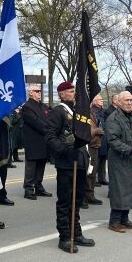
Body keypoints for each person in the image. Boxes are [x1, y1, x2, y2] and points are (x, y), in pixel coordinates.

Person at [45, 81, 95, 253]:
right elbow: (50, 136)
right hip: (67, 163)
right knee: (65, 200)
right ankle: (65, 237)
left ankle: (76, 232)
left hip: (80, 161)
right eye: (71, 91)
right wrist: (65, 151)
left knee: (77, 199)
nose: (74, 93)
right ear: (62, 94)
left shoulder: (76, 111)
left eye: (74, 90)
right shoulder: (58, 111)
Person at [104, 91, 132, 232]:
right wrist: (130, 150)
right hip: (119, 159)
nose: (129, 102)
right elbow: (113, 141)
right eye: (126, 100)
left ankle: (124, 218)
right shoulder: (113, 119)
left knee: (130, 189)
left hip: (130, 158)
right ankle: (114, 221)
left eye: (131, 100)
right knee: (120, 190)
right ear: (118, 102)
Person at [20, 86, 52, 200]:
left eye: (40, 91)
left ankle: (38, 186)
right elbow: (36, 122)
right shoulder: (27, 107)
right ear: (30, 93)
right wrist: (50, 129)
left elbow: (50, 118)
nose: (39, 93)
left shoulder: (43, 105)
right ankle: (28, 189)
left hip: (44, 140)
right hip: (33, 141)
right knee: (31, 166)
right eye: (37, 91)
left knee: (41, 164)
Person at [84, 94, 105, 207]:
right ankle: (85, 196)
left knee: (92, 172)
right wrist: (97, 130)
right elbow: (85, 130)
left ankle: (90, 195)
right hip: (88, 145)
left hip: (95, 144)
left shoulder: (92, 112)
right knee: (88, 172)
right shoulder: (83, 112)